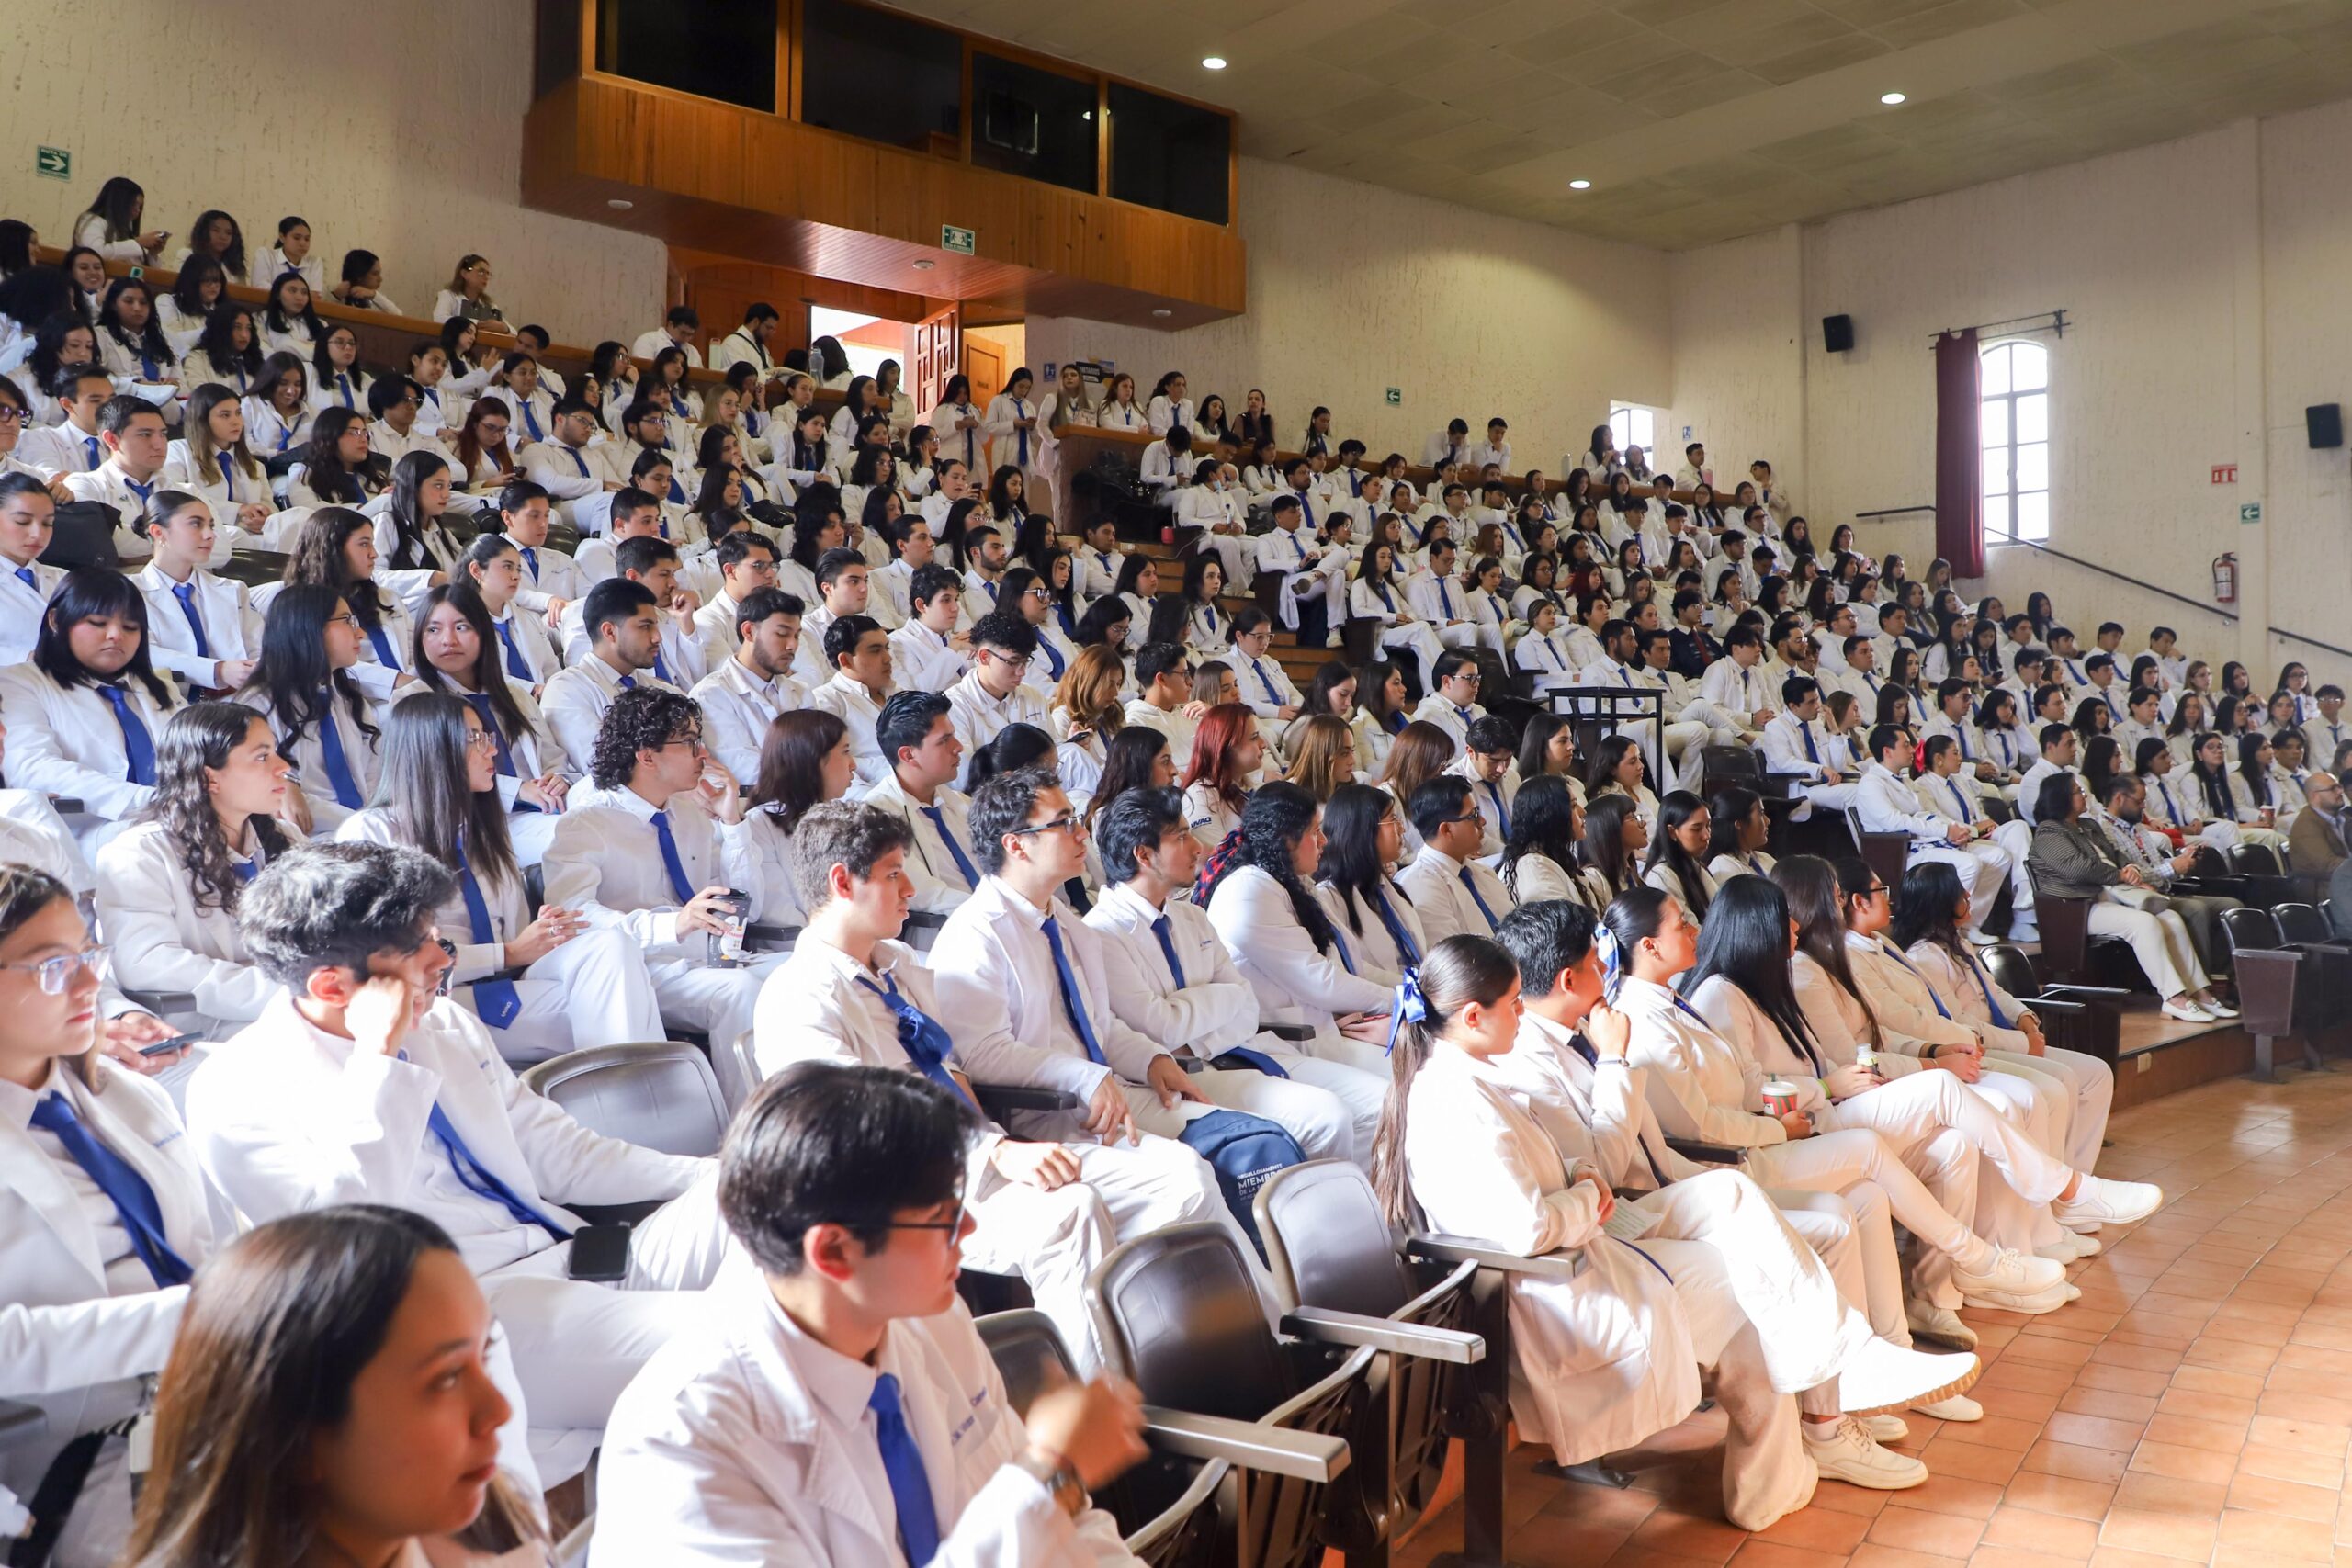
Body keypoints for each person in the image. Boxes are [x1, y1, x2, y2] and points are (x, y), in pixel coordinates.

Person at [1374, 931, 1978, 1515]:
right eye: (1510, 1005)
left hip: (1596, 1231)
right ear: (1474, 1016)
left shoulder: (1469, 1077)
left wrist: (1579, 1171)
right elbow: (1526, 1227)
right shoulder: (1456, 1101)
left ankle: (1843, 1372)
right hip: (1562, 1280)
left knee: (1731, 1194)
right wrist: (1588, 1190)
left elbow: (1548, 1164)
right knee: (1749, 1296)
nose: (1520, 1014)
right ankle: (1783, 1465)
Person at [185, 840, 730, 1485]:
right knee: (745, 1341)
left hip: (579, 1253)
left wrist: (716, 1177)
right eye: (418, 949)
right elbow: (354, 1237)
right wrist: (378, 1060)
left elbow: (561, 1153)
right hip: (468, 1315)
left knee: (799, 1209)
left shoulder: (445, 1024)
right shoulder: (237, 1089)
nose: (444, 959)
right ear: (332, 984)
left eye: (436, 936)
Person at [590, 1060, 1152, 1564]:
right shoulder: (682, 1443)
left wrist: (1050, 1487)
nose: (971, 1230)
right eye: (942, 1217)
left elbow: (1067, 1529)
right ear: (833, 1251)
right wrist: (1051, 1473)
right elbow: (1040, 1503)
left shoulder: (930, 1318)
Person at [1606, 886, 2077, 1328]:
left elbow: (1750, 1083)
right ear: (1649, 946)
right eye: (1681, 924)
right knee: (1917, 1108)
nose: (1694, 929)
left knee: (1925, 1160)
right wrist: (1802, 1109)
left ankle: (1901, 1334)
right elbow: (1707, 1122)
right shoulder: (1665, 1012)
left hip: (1784, 1124)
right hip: (1741, 1158)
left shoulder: (1680, 1001)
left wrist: (1818, 1094)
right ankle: (1992, 1246)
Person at [120, 1205, 548, 1568]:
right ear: (296, 1439)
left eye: (485, 1355)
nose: (498, 1410)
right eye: (447, 1378)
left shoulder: (486, 1539)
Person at [0, 865, 218, 1568]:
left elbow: (205, 1242)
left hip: (210, 1382)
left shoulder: (118, 1093)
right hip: (70, 1441)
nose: (93, 985)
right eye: (53, 967)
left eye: (88, 955)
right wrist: (189, 1317)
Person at [337, 694, 664, 1062]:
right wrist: (506, 953)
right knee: (616, 1009)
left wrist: (544, 932)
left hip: (508, 977)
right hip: (436, 995)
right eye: (476, 739)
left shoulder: (481, 830)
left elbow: (517, 938)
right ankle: (633, 1100)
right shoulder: (372, 831)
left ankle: (632, 1095)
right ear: (433, 749)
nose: (492, 751)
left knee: (610, 946)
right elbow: (385, 955)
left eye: (487, 737)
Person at [1085, 784, 1373, 1163]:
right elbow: (1160, 1030)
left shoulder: (1191, 916)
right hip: (1183, 1076)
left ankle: (1368, 1207)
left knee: (1374, 1102)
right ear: (1144, 854)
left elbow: (1244, 1006)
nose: (1199, 848)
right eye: (1182, 837)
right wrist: (1210, 1007)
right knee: (1328, 1117)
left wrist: (1190, 1028)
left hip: (1236, 1052)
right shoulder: (1103, 933)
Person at [543, 687, 784, 1055]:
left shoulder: (688, 815)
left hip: (710, 957)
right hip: (643, 970)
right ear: (647, 756)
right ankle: (752, 1111)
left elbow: (746, 904)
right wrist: (671, 925)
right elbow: (574, 917)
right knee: (739, 992)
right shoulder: (586, 823)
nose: (702, 754)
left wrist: (732, 820)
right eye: (688, 743)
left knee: (812, 968)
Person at [94, 703, 298, 1038]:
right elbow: (146, 963)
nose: (283, 767)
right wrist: (288, 994)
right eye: (262, 757)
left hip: (291, 1008)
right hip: (201, 1028)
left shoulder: (285, 839)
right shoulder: (140, 853)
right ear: (209, 776)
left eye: (276, 753)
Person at [2024, 770, 2232, 1023]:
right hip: (2077, 907)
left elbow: (2115, 854)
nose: (2083, 795)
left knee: (2170, 918)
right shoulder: (2049, 833)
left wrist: (2132, 871)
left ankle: (2200, 991)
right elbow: (2078, 869)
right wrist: (2120, 875)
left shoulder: (2088, 826)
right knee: (2144, 923)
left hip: (2111, 896)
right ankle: (2173, 997)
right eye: (2078, 791)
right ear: (2060, 798)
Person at [0, 568, 183, 849]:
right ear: (56, 620)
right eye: (98, 622)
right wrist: (145, 801)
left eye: (131, 627)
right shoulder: (19, 683)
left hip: (176, 827)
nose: (115, 635)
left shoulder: (160, 688)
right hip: (78, 839)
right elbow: (31, 767)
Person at [238, 584, 383, 836]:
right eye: (347, 621)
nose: (359, 633)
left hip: (362, 832)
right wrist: (366, 826)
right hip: (306, 843)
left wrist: (375, 822)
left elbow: (375, 774)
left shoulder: (348, 696)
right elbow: (289, 807)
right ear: (308, 628)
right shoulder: (257, 707)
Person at [541, 578, 682, 773]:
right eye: (645, 626)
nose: (657, 637)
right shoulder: (566, 689)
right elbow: (605, 766)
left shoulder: (662, 690)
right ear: (609, 631)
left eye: (656, 626)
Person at [864, 690, 985, 911]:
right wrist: (995, 910)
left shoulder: (960, 803)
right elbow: (927, 895)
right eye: (945, 740)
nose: (959, 747)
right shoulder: (877, 817)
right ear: (909, 755)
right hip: (946, 932)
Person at [687, 584, 805, 787]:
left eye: (796, 635)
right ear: (749, 631)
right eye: (782, 634)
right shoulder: (710, 696)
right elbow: (747, 770)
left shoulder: (801, 692)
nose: (792, 645)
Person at [1396, 776, 1516, 943]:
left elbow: (1514, 925)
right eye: (1473, 815)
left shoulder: (1481, 871)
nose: (1482, 821)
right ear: (1446, 830)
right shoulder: (1420, 887)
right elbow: (1455, 959)